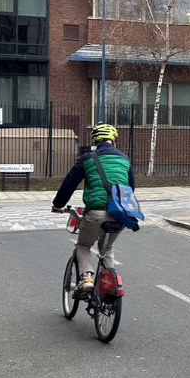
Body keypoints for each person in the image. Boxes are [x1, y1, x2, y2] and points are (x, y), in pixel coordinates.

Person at [52, 123, 135, 292]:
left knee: (83, 245)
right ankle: (110, 286)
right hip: (122, 213)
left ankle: (86, 279)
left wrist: (58, 205)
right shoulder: (124, 159)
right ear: (113, 139)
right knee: (107, 248)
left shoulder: (87, 158)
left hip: (97, 212)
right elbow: (131, 188)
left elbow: (69, 184)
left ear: (96, 141)